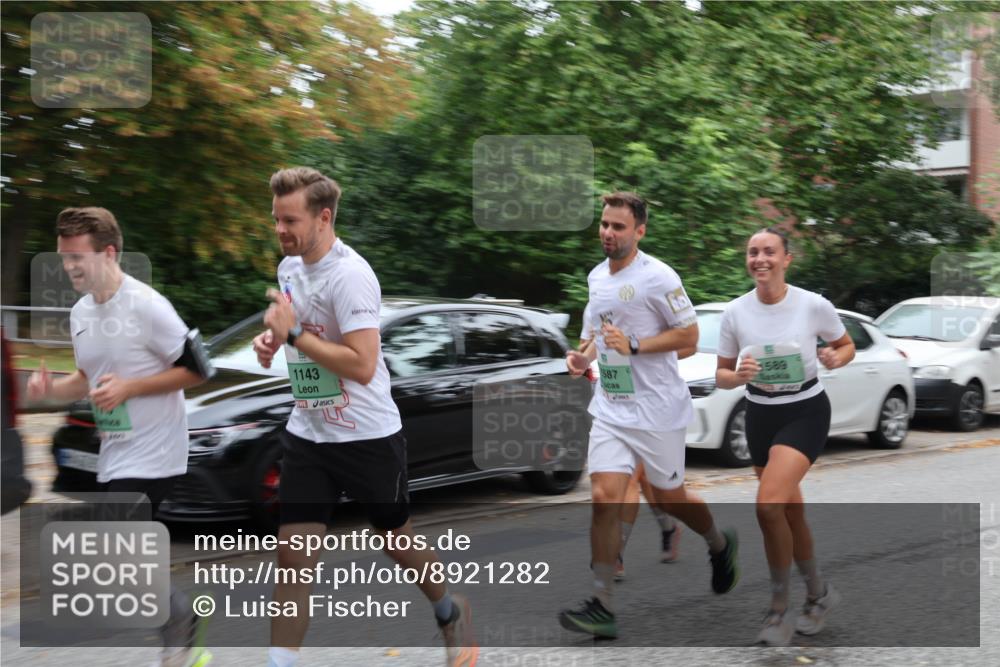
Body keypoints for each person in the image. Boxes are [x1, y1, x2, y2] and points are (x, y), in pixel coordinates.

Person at [252, 167, 476, 667]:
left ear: (324, 218)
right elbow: (302, 333)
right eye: (276, 219)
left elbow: (361, 364)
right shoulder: (288, 269)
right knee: (292, 557)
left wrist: (293, 335)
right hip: (309, 433)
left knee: (395, 540)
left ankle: (448, 608)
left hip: (367, 435)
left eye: (290, 220)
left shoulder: (351, 276)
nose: (280, 230)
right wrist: (273, 340)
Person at [26, 207, 213, 667]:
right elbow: (85, 379)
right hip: (117, 452)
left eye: (77, 257)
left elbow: (197, 370)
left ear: (109, 253)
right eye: (63, 257)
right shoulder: (81, 313)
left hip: (157, 452)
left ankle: (181, 625)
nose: (68, 267)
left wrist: (130, 388)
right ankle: (180, 635)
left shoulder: (147, 306)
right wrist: (50, 390)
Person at [559, 192, 739, 639]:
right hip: (612, 406)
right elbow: (595, 336)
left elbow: (690, 338)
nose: (608, 232)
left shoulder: (659, 277)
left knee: (670, 498)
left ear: (639, 231)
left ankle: (719, 544)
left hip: (658, 411)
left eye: (618, 226)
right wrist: (582, 358)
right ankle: (602, 604)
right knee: (604, 496)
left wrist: (636, 345)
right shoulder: (596, 277)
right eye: (604, 224)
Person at [714, 227, 854, 646]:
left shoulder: (813, 305)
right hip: (759, 414)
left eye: (769, 252)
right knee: (789, 513)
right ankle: (819, 594)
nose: (760, 259)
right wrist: (738, 375)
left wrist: (835, 357)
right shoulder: (735, 312)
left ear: (787, 259)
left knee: (768, 505)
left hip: (805, 411)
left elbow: (846, 345)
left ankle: (779, 610)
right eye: (752, 252)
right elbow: (721, 375)